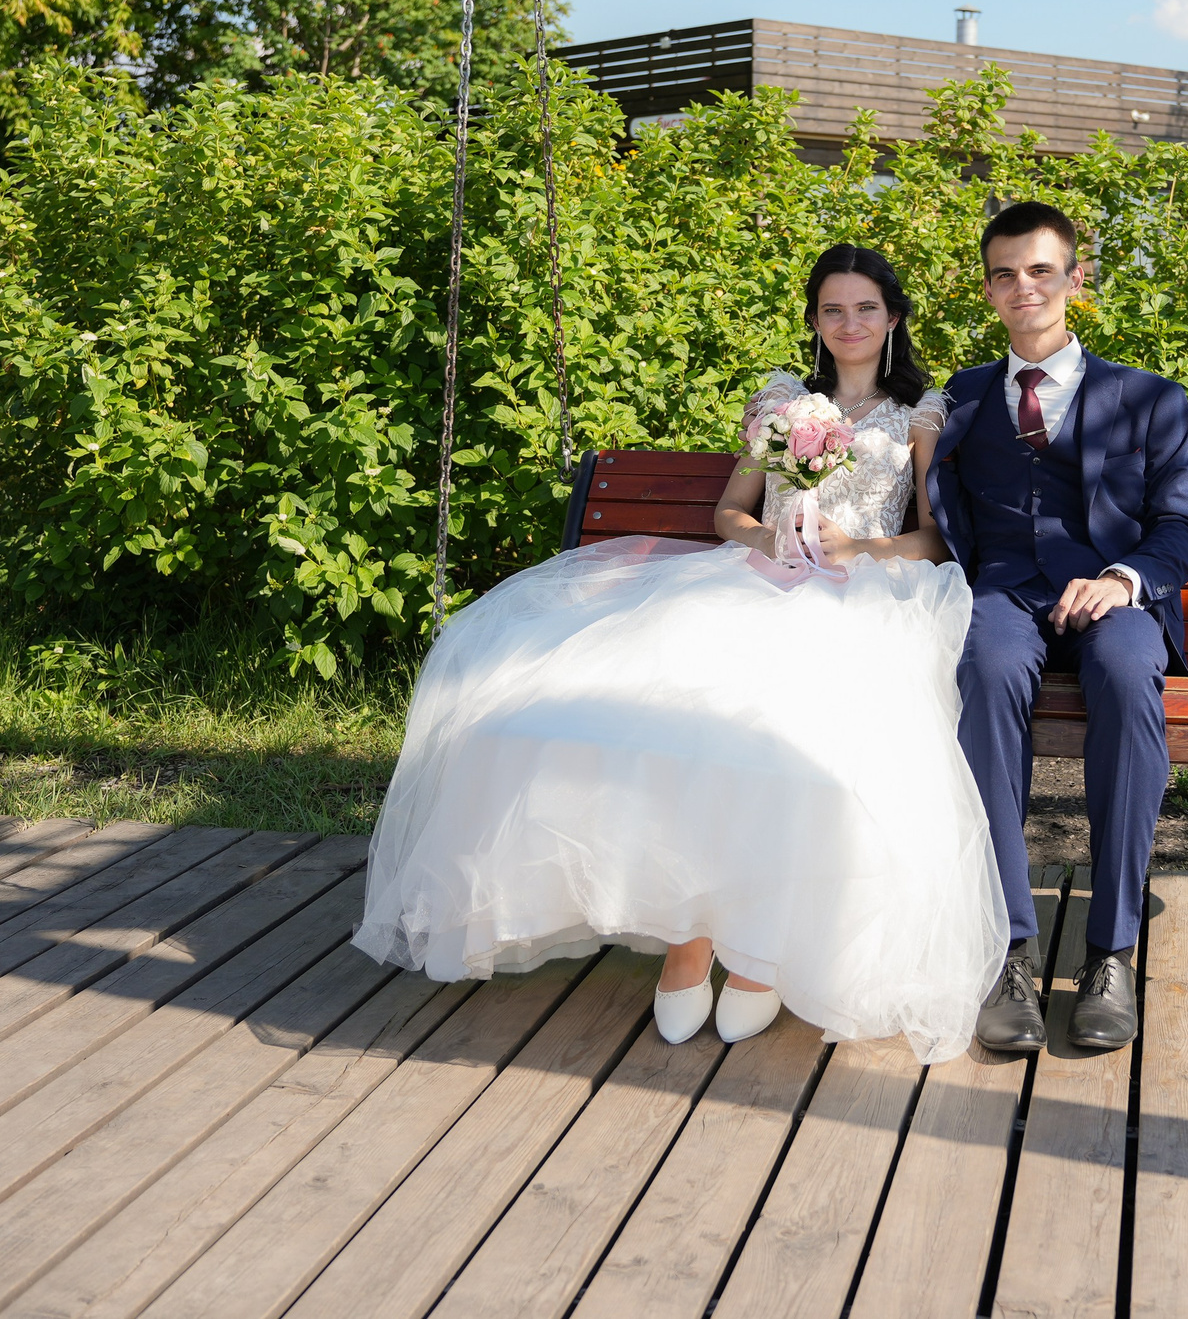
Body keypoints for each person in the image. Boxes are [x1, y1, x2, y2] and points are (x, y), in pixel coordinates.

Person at [353, 245, 1006, 1064]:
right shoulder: (782, 400)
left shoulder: (921, 413)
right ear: (813, 320)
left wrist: (859, 548)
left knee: (805, 729)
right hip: (759, 578)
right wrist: (771, 534)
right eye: (833, 310)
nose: (851, 325)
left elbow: (936, 539)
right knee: (674, 713)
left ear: (894, 318)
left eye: (867, 309)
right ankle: (691, 932)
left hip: (865, 593)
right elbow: (728, 513)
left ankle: (763, 947)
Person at [927, 202, 1188, 1054]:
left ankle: (1112, 950)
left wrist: (1124, 580)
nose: (1024, 286)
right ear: (988, 289)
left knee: (1128, 677)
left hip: (1113, 600)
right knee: (980, 664)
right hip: (1006, 592)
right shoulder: (963, 397)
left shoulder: (1151, 399)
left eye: (1041, 269)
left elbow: (1184, 529)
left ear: (1076, 279)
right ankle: (1006, 946)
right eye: (1005, 273)